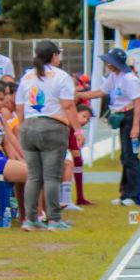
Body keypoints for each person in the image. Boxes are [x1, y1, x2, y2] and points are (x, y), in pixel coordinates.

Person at [15, 41, 81, 231]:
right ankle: (54, 219)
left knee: (33, 177)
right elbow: (68, 105)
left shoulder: (27, 77)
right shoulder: (61, 76)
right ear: (53, 56)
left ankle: (30, 219)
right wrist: (77, 130)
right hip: (53, 126)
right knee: (52, 177)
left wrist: (23, 127)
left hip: (29, 127)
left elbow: (19, 107)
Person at [77, 48, 140, 206]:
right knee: (125, 156)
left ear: (116, 63)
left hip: (132, 118)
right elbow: (100, 92)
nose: (107, 64)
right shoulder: (114, 76)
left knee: (131, 157)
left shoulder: (129, 79)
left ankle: (134, 196)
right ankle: (125, 194)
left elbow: (138, 103)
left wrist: (135, 127)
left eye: (109, 61)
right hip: (123, 118)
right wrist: (78, 95)